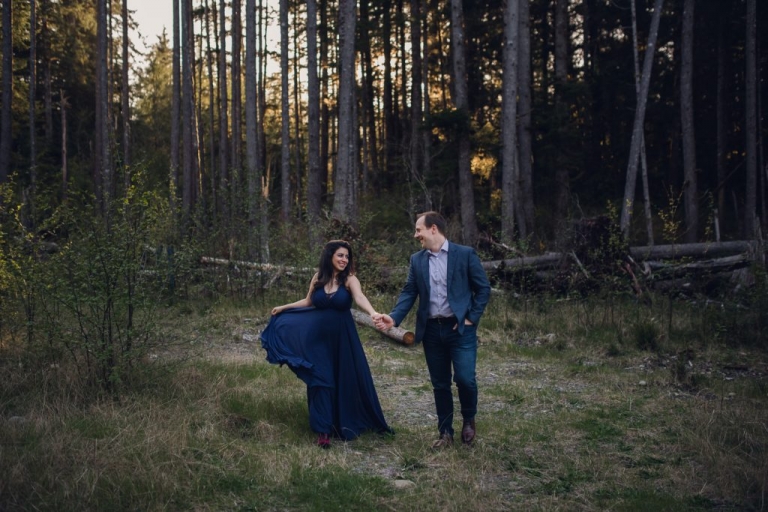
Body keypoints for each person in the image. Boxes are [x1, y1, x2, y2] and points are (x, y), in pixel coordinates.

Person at [260, 240, 392, 449]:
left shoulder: (349, 279)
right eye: (340, 255)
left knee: (344, 378)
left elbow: (359, 297)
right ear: (330, 255)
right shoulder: (318, 278)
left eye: (347, 257)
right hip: (318, 338)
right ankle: (323, 430)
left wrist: (374, 313)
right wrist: (283, 307)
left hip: (342, 339)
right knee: (321, 379)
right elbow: (308, 302)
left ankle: (344, 423)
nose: (344, 260)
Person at [374, 212, 491, 449]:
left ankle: (469, 419)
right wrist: (394, 318)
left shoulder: (465, 254)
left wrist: (471, 318)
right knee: (440, 384)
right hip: (430, 331)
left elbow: (483, 289)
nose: (416, 234)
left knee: (465, 379)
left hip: (460, 330)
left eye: (419, 230)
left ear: (433, 228)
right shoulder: (417, 260)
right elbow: (409, 292)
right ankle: (445, 432)